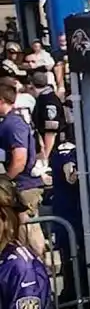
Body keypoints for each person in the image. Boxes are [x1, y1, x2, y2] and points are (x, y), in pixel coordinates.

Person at [0, 83, 42, 257]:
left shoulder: (13, 124)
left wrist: (5, 180)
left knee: (28, 233)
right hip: (19, 185)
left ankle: (38, 274)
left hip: (23, 187)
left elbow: (20, 159)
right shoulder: (9, 123)